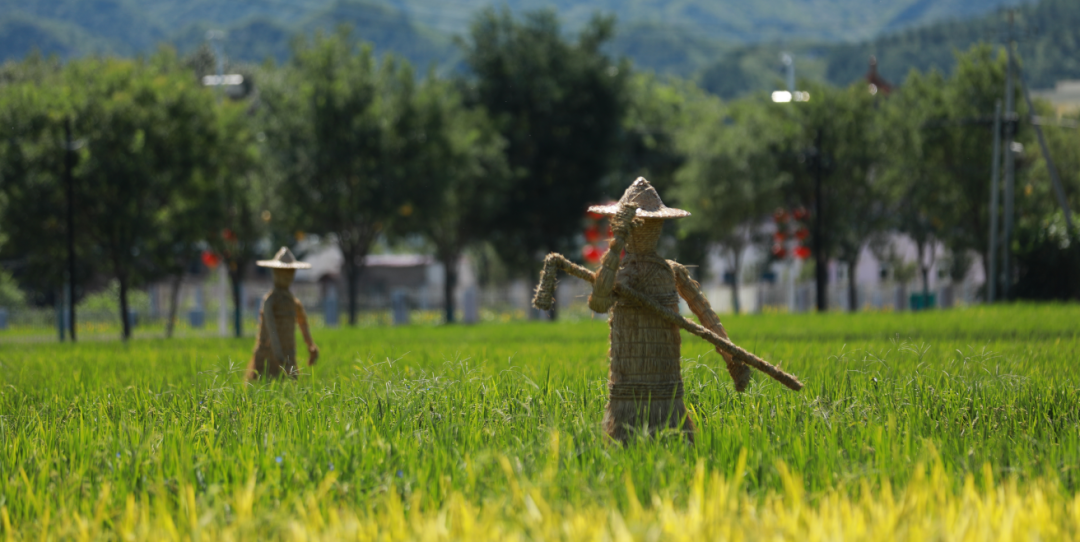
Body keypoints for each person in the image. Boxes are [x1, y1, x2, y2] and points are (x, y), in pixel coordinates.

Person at [586, 178, 749, 442]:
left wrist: (733, 360)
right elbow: (599, 303)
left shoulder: (669, 271)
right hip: (627, 383)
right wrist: (617, 243)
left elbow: (707, 319)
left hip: (665, 382)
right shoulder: (618, 273)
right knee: (627, 439)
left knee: (672, 437)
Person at [246, 247, 319, 380]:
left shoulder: (293, 302)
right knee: (264, 384)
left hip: (288, 354)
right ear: (274, 273)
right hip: (268, 355)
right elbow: (271, 328)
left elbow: (303, 323)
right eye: (281, 272)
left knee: (290, 386)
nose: (286, 276)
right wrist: (278, 354)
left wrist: (311, 345)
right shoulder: (270, 301)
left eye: (290, 272)